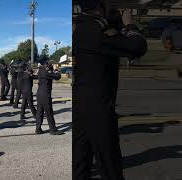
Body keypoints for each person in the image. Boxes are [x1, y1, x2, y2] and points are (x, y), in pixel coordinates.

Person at [73, 1, 147, 180]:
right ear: (100, 7)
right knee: (109, 164)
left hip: (78, 104)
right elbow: (138, 47)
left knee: (80, 163)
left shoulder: (77, 25)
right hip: (98, 107)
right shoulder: (97, 28)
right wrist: (129, 23)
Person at [35, 60, 63, 135]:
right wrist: (56, 69)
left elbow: (51, 74)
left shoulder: (40, 70)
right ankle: (53, 130)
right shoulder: (46, 72)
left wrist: (50, 69)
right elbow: (58, 76)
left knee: (39, 112)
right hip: (45, 95)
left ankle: (38, 129)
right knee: (49, 112)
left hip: (39, 93)